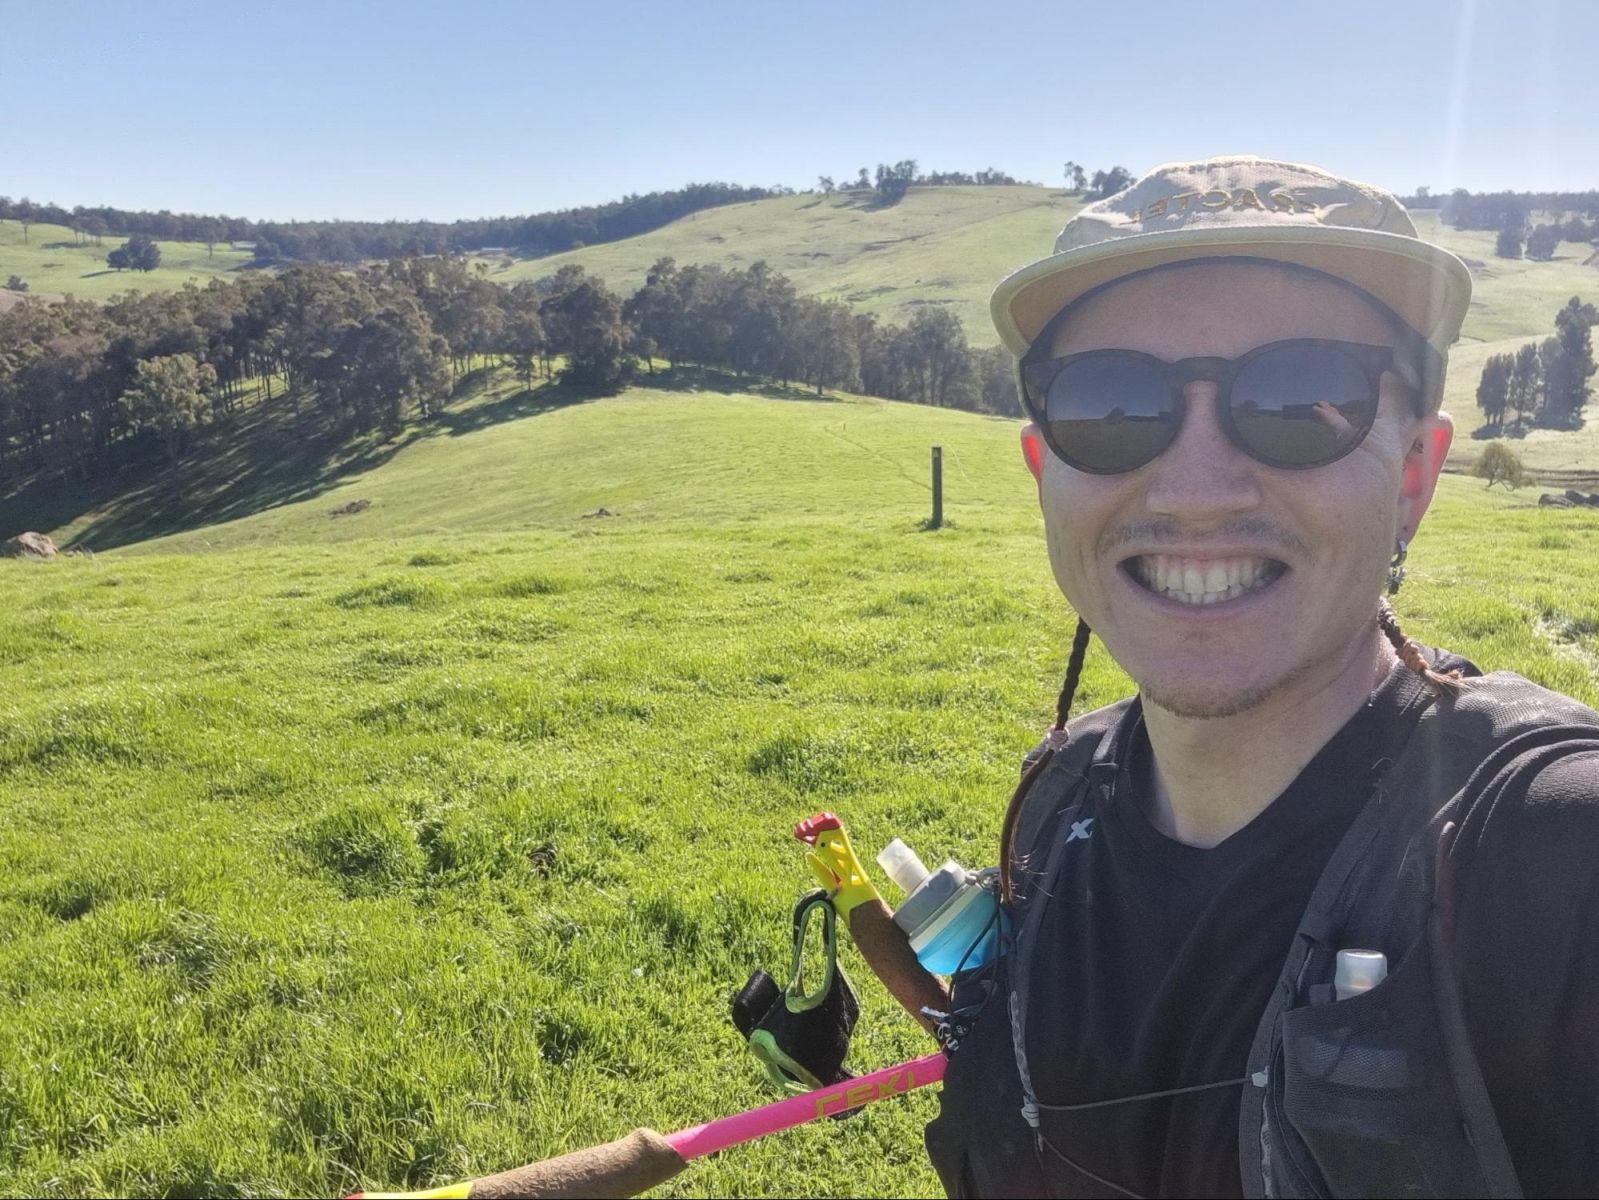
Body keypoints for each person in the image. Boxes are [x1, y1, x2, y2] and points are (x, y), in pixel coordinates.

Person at [922, 157, 1599, 1199]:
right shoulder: (1052, 805)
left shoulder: (1555, 851)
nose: (1194, 490)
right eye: (1111, 406)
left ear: (1415, 472)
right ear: (1043, 474)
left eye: (1300, 396)